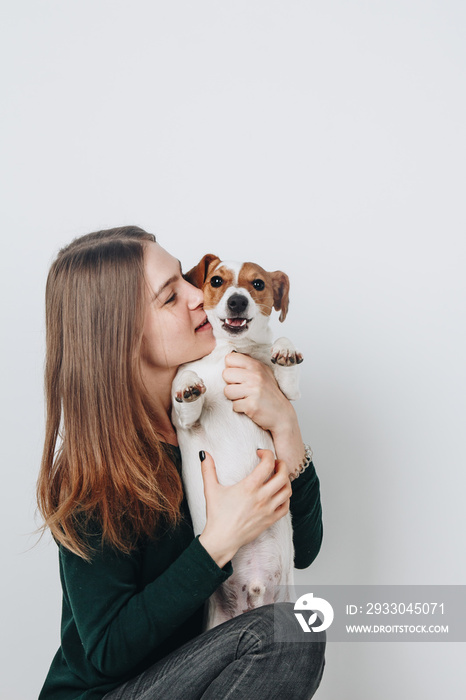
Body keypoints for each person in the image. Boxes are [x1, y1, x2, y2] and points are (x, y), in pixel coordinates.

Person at [36, 226, 325, 700]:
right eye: (171, 296)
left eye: (188, 280)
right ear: (120, 335)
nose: (199, 295)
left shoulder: (218, 413)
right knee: (285, 634)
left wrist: (286, 426)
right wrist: (219, 539)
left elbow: (306, 548)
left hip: (195, 676)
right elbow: (107, 650)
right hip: (107, 692)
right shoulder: (89, 471)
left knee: (296, 627)